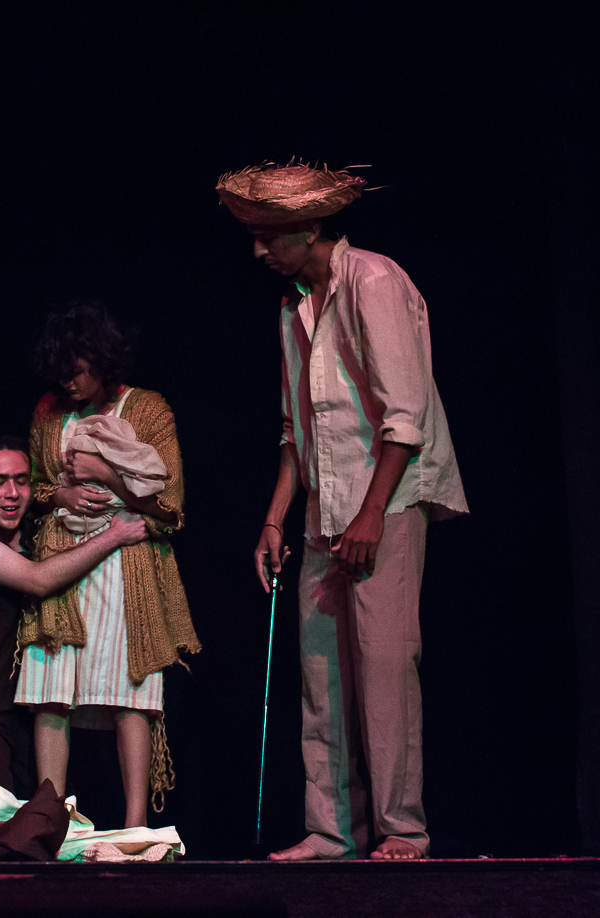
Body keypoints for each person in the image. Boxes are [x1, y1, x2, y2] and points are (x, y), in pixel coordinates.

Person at [216, 163, 468, 860]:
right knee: (322, 674)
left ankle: (402, 829)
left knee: (385, 667)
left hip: (386, 501)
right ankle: (332, 831)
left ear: (309, 228)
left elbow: (405, 416)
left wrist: (370, 514)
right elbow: (295, 430)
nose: (259, 250)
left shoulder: (374, 281)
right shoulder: (292, 307)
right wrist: (275, 518)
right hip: (325, 509)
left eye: (269, 236)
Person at [15, 302, 200, 828]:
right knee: (51, 692)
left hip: (126, 565)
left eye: (77, 369)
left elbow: (170, 506)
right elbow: (38, 488)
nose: (68, 382)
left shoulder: (147, 408)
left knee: (128, 692)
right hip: (62, 564)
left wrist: (104, 473)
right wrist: (61, 495)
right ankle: (49, 818)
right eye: (61, 371)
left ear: (102, 360)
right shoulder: (49, 411)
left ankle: (135, 825)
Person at [0, 435, 149, 798]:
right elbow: (39, 579)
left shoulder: (36, 533)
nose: (12, 493)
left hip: (25, 707)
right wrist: (114, 536)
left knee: (43, 815)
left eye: (21, 481)